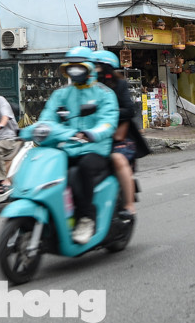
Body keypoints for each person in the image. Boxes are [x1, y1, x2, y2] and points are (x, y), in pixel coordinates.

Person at [38, 47, 118, 245]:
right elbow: (46, 119)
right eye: (71, 68)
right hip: (67, 148)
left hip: (95, 149)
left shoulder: (105, 94)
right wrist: (35, 130)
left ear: (90, 69)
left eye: (79, 67)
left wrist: (92, 133)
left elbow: (108, 122)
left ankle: (86, 218)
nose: (75, 72)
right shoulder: (61, 95)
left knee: (79, 171)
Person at [92, 49, 149, 218]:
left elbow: (129, 111)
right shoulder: (87, 87)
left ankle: (129, 205)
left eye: (98, 66)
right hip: (92, 136)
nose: (95, 70)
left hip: (118, 137)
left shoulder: (120, 84)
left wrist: (108, 113)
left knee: (118, 160)